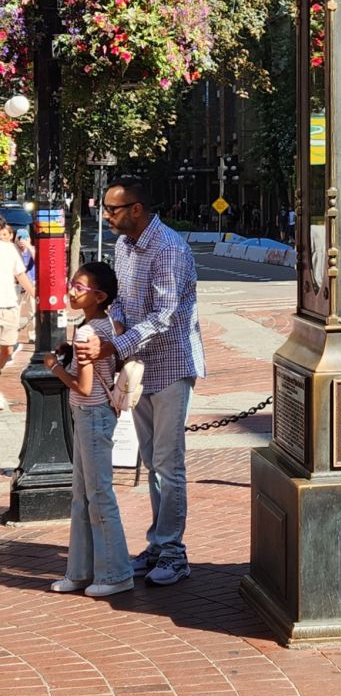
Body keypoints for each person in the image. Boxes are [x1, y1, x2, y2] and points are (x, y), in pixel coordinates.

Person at [77, 175, 205, 587]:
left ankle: (173, 552)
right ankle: (157, 544)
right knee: (151, 462)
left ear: (137, 209)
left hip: (170, 366)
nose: (107, 215)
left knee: (169, 465)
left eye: (113, 209)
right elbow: (128, 306)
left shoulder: (169, 249)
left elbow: (165, 317)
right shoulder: (124, 246)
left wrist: (113, 347)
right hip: (138, 368)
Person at [44, 263, 133, 598]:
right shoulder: (108, 323)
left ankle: (116, 574)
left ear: (99, 296)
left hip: (90, 413)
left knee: (98, 496)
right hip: (98, 414)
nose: (71, 291)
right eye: (72, 284)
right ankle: (81, 572)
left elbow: (82, 387)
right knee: (83, 496)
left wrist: (56, 369)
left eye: (79, 287)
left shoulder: (86, 333)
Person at [0, 223, 34, 407]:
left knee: (7, 349)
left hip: (8, 305)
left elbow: (21, 275)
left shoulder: (9, 250)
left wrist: (36, 295)